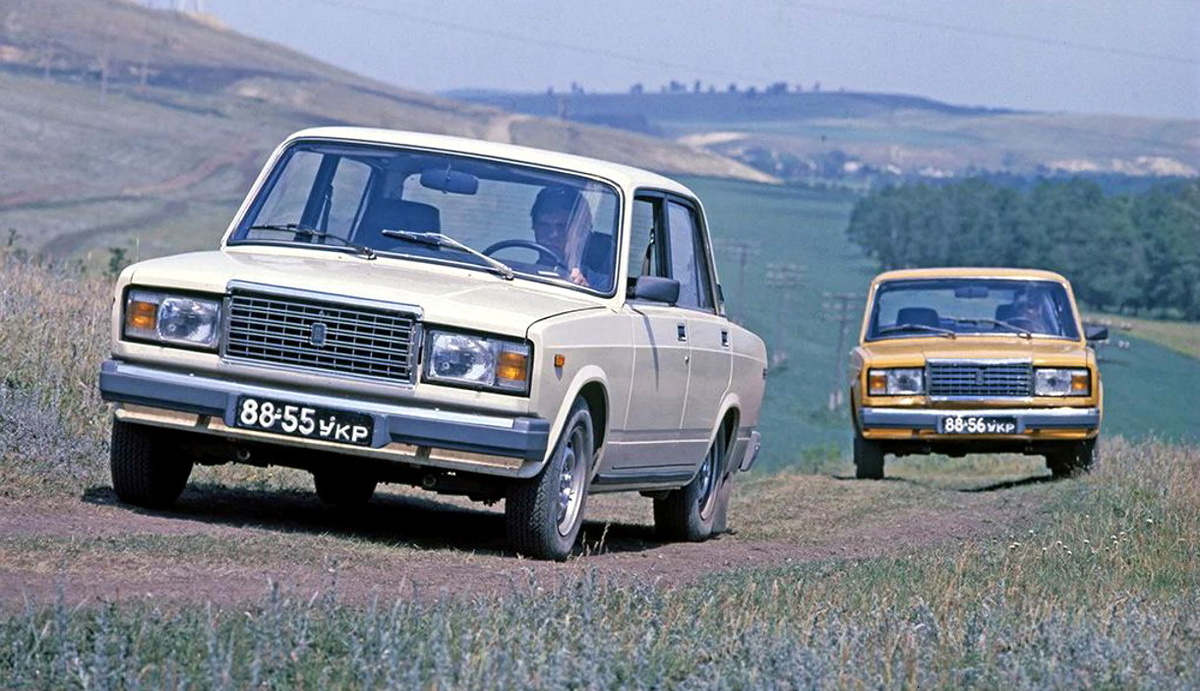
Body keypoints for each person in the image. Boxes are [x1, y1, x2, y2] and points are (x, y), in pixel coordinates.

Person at [530, 185, 593, 286]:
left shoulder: (603, 286)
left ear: (580, 232)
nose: (553, 234)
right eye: (544, 225)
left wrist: (585, 289)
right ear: (534, 227)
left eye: (562, 227)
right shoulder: (515, 274)